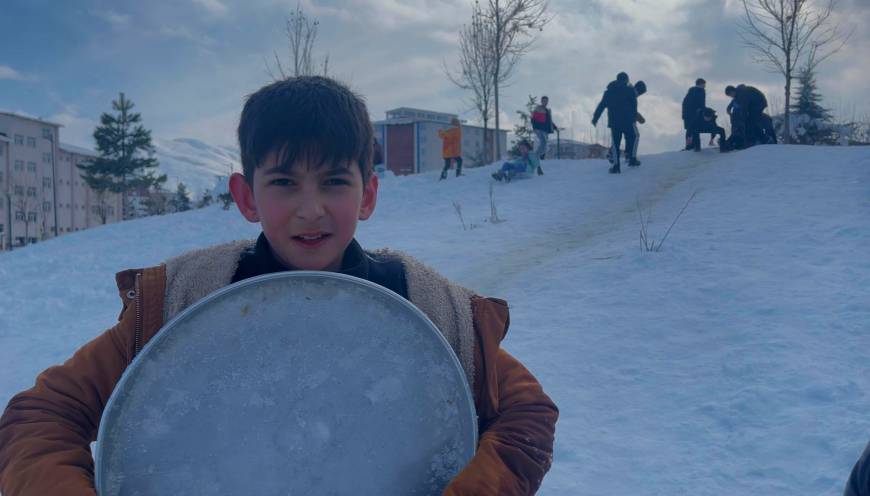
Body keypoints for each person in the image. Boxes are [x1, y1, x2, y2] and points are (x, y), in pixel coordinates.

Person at [0, 76, 559, 495]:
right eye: (285, 183)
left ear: (366, 194)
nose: (309, 210)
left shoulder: (425, 307)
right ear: (247, 197)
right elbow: (43, 414)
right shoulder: (183, 302)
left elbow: (527, 415)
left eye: (335, 181)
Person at [592, 72, 639, 174]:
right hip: (628, 121)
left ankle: (616, 167)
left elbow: (601, 106)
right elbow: (634, 105)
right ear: (626, 79)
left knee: (615, 144)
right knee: (634, 137)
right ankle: (632, 158)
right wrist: (634, 117)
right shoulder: (629, 90)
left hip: (614, 122)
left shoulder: (608, 92)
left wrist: (595, 118)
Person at [531, 96, 557, 174]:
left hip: (545, 130)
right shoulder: (538, 108)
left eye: (546, 101)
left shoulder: (548, 110)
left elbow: (549, 121)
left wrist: (555, 127)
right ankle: (535, 156)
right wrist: (534, 128)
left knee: (545, 147)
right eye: (543, 101)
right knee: (544, 142)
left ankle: (536, 157)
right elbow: (533, 118)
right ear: (541, 101)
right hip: (539, 129)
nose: (545, 102)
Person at [682, 78, 707, 150]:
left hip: (687, 114)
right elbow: (702, 104)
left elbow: (685, 103)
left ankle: (689, 145)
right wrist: (703, 111)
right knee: (695, 129)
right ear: (700, 84)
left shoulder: (690, 92)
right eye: (704, 84)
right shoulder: (700, 91)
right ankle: (694, 145)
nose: (705, 86)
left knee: (689, 130)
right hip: (695, 114)